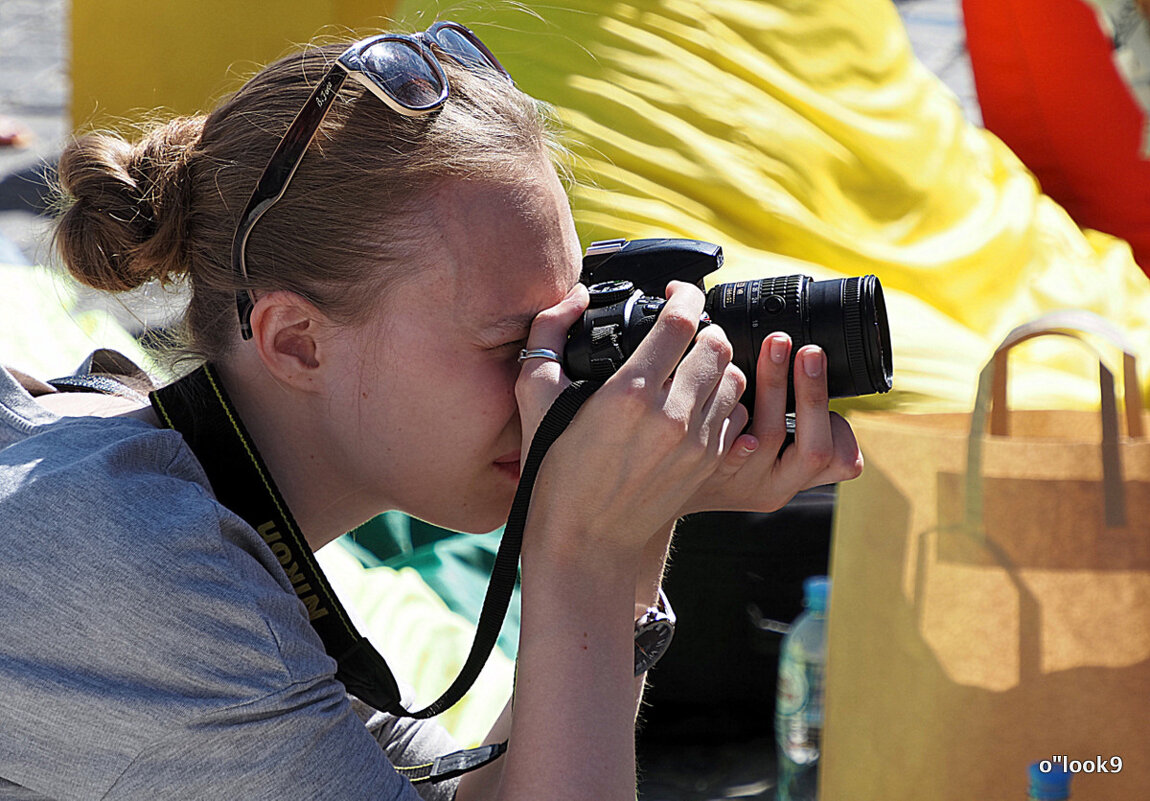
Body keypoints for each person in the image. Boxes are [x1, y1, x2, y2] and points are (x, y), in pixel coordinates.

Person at [0, 21, 862, 801]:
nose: (552, 381)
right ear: (297, 339)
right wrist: (580, 553)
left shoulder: (168, 503)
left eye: (568, 325)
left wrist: (633, 534)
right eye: (513, 341)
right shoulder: (144, 572)